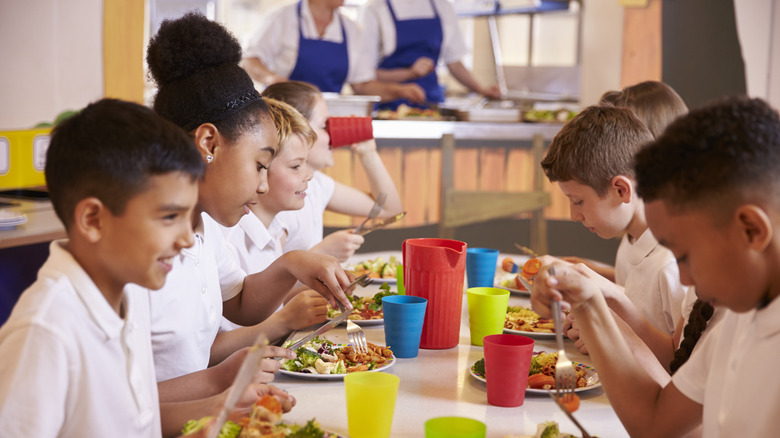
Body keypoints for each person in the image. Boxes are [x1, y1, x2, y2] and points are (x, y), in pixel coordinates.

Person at [0, 98, 296, 437]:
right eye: (169, 217)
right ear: (93, 220)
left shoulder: (127, 299)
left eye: (188, 217)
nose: (187, 240)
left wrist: (217, 411)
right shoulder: (47, 330)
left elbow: (129, 423)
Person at [532, 96, 780, 437]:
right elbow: (656, 423)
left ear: (751, 230)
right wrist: (589, 301)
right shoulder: (735, 321)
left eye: (686, 256)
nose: (684, 277)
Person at [145, 12, 353, 399]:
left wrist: (292, 264)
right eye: (260, 165)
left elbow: (239, 302)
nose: (262, 185)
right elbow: (120, 401)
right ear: (208, 144)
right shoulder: (142, 255)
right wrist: (220, 384)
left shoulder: (207, 230)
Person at [539, 105, 689, 342]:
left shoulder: (670, 266)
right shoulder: (635, 241)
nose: (573, 215)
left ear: (621, 190)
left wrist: (605, 330)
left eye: (578, 201)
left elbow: (677, 364)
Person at [218, 97, 329, 346]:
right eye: (296, 166)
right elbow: (216, 344)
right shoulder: (228, 238)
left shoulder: (275, 228)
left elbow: (266, 307)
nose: (309, 175)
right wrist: (286, 319)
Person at [262, 81, 403, 261]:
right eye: (324, 126)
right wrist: (322, 253)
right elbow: (266, 285)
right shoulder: (279, 202)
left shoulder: (316, 184)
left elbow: (389, 209)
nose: (333, 134)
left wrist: (369, 154)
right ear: (298, 129)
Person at [242, 0, 425, 104]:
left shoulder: (352, 30)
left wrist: (400, 91)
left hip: (326, 121)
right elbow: (249, 61)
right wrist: (271, 79)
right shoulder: (282, 18)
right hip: (282, 116)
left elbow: (362, 85)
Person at [359, 0, 501, 109]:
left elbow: (454, 63)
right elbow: (365, 77)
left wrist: (481, 90)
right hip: (387, 108)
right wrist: (410, 73)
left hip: (431, 106)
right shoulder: (375, 8)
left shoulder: (441, 6)